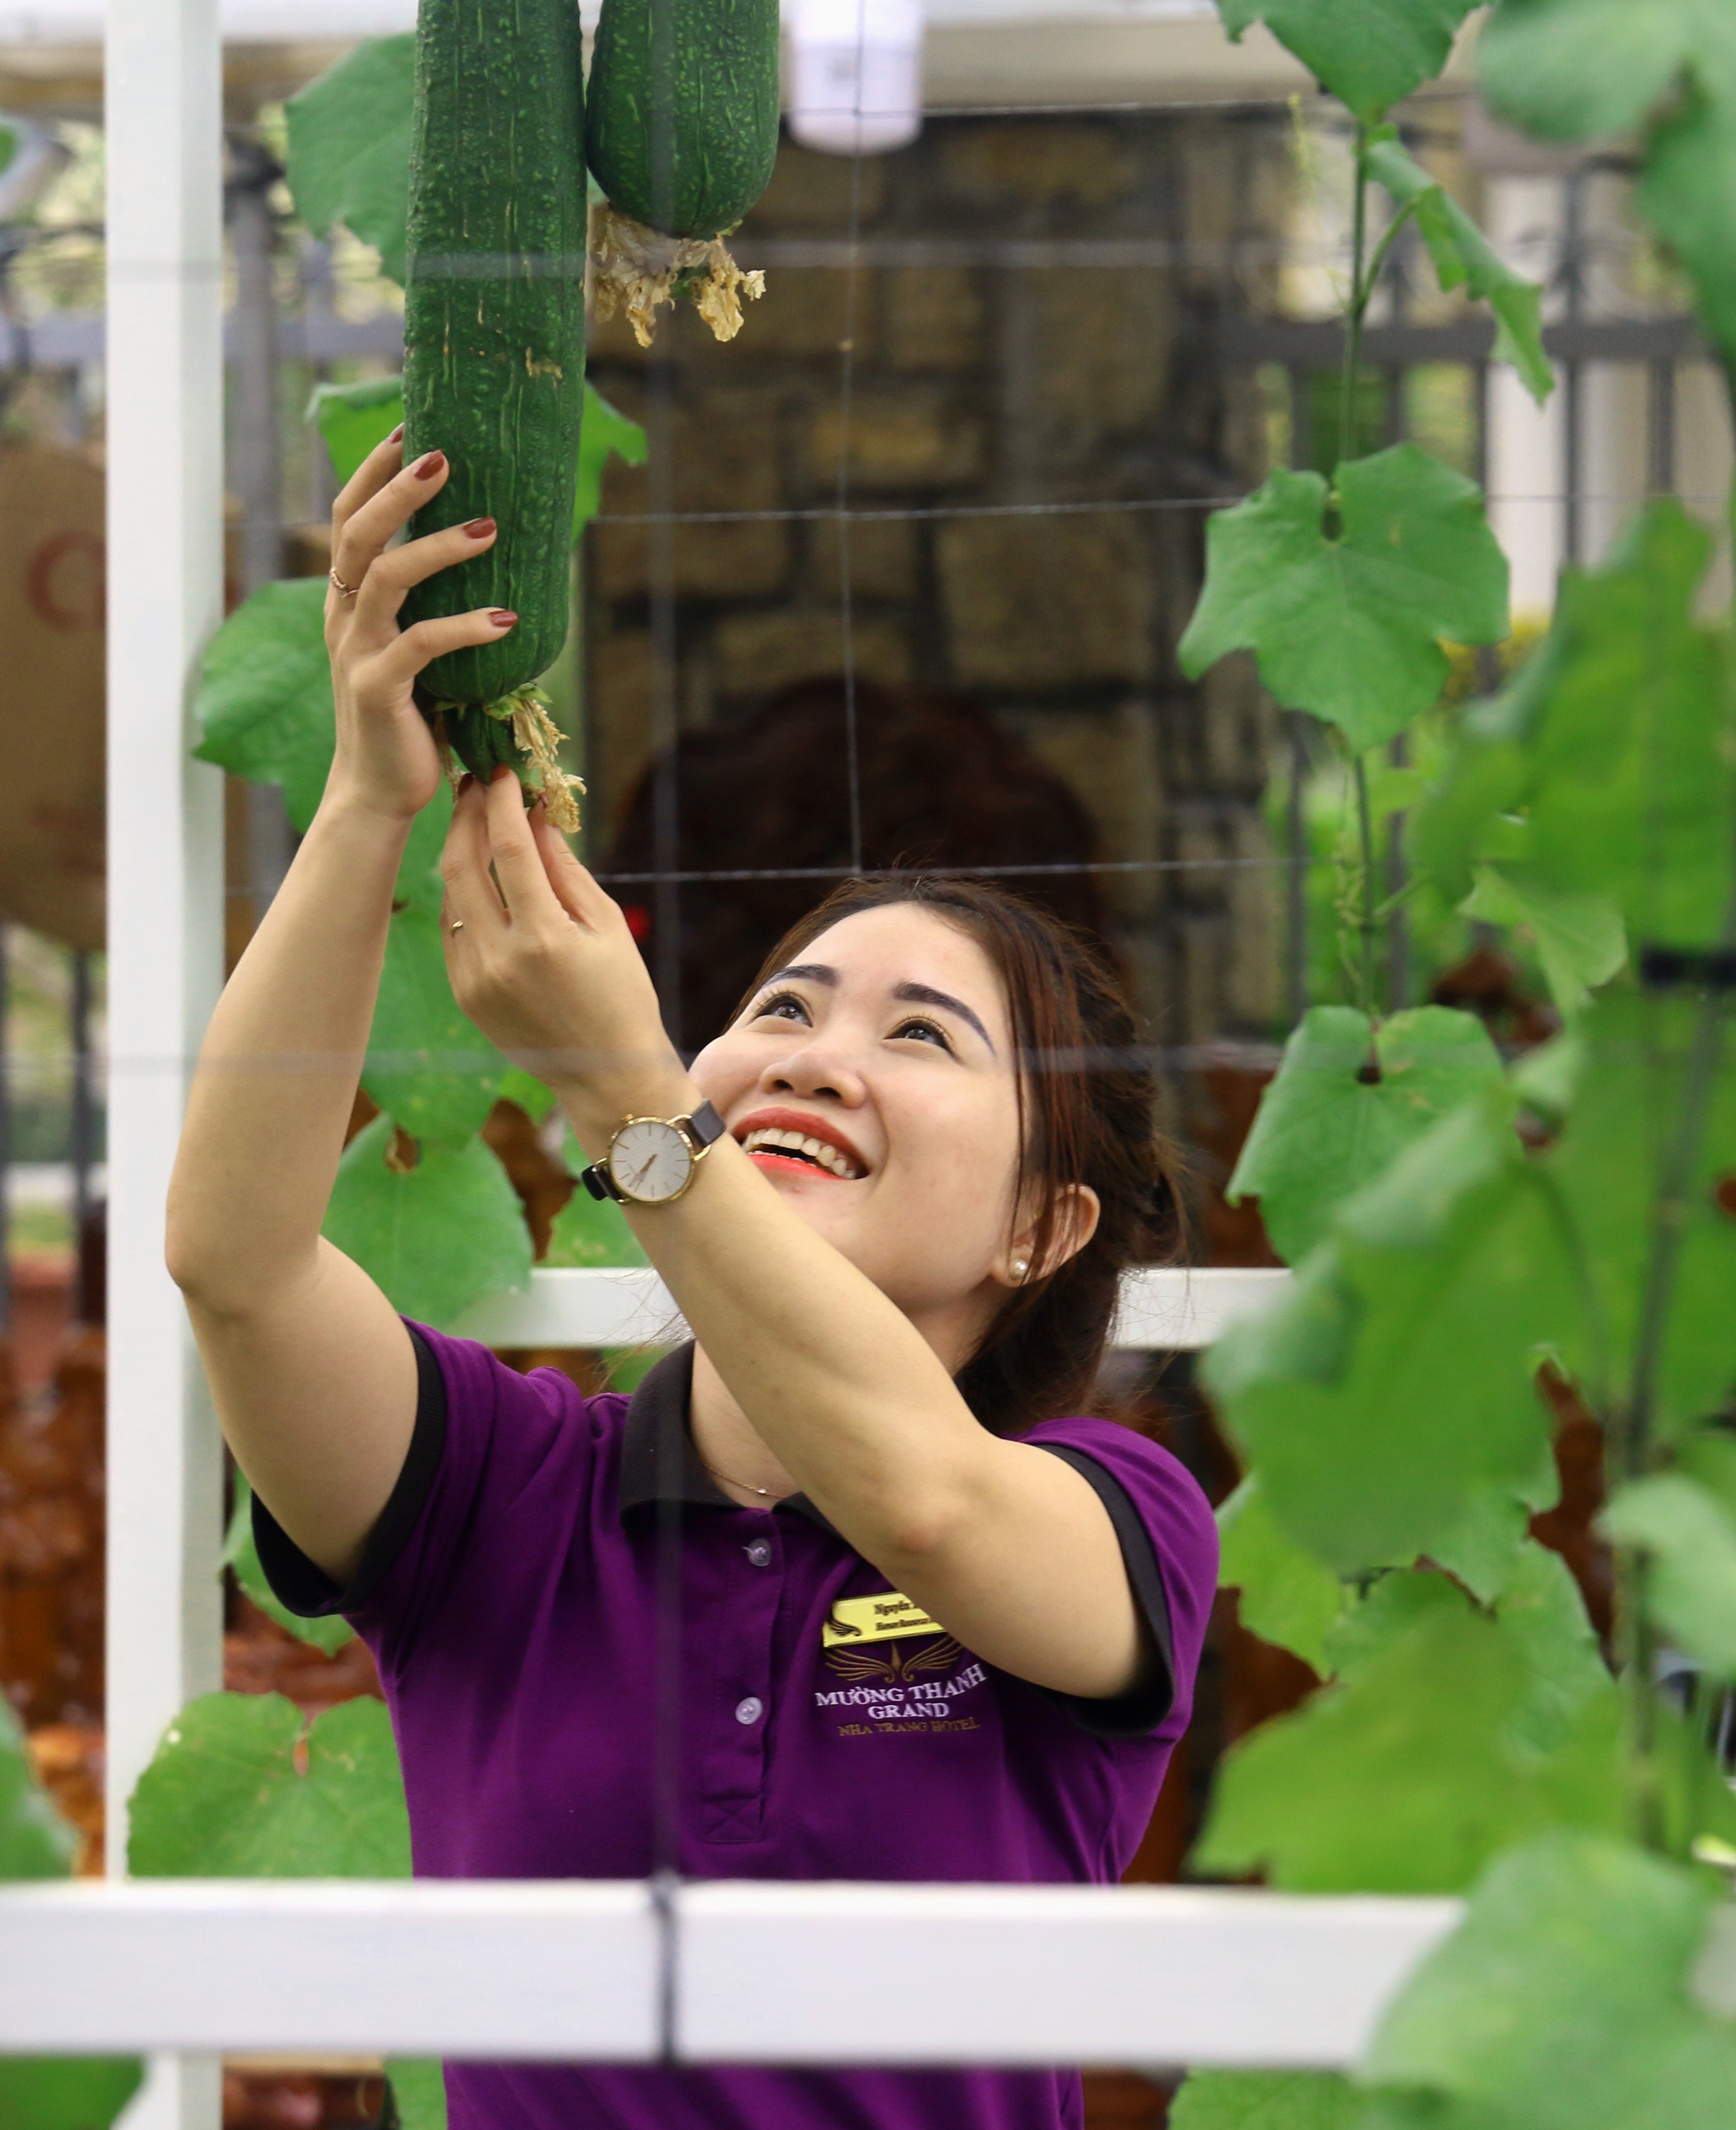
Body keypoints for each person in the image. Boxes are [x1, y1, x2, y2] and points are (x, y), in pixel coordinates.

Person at [166, 434, 1219, 2130]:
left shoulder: (1117, 1513)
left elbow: (931, 1505)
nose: (817, 1056)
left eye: (922, 1036)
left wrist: (630, 1104)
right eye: (786, 1009)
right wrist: (372, 801)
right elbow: (234, 1260)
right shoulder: (495, 1494)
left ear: (1044, 1230)